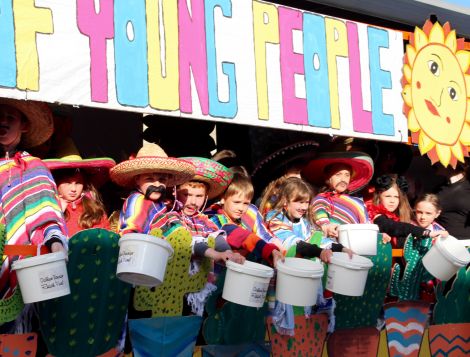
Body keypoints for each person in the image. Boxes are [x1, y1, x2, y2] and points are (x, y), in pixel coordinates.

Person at [0, 98, 67, 332]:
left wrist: (56, 243)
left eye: (11, 117)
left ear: (24, 126)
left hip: (21, 270)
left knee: (15, 340)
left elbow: (47, 216)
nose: (3, 121)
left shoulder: (34, 167)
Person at [154, 157, 244, 316]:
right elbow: (190, 243)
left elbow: (217, 238)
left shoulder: (205, 220)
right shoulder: (169, 216)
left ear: (206, 197)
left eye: (199, 196)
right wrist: (215, 254)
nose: (192, 202)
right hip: (173, 288)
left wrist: (228, 253)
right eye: (186, 194)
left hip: (201, 285)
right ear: (175, 192)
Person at [109, 143, 195, 235]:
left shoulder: (160, 203)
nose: (157, 184)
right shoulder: (139, 200)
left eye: (162, 179)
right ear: (137, 179)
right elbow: (131, 232)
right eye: (149, 179)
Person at [265, 177, 353, 262]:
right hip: (280, 266)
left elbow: (320, 239)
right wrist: (319, 252)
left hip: (299, 265)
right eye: (300, 202)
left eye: (307, 202)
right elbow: (291, 242)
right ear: (285, 201)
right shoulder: (275, 218)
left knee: (317, 235)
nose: (304, 207)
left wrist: (341, 249)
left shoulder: (304, 222)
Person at [207, 173, 283, 267]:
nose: (241, 208)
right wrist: (268, 250)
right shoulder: (214, 217)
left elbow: (263, 234)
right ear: (223, 198)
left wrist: (275, 249)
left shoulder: (248, 213)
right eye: (237, 202)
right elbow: (241, 236)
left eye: (246, 203)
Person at [44, 142, 115, 236]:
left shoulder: (94, 209)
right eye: (67, 183)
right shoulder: (46, 208)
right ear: (55, 182)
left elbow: (107, 238)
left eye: (78, 183)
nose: (73, 189)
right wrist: (57, 213)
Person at [303, 152, 373, 237]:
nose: (343, 179)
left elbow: (367, 226)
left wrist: (378, 235)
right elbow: (321, 222)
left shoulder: (358, 203)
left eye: (347, 175)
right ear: (328, 178)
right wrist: (327, 227)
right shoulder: (321, 199)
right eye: (338, 174)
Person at [367, 175, 448, 248]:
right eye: (388, 196)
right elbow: (394, 227)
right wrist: (426, 233)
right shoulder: (376, 214)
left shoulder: (397, 216)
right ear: (379, 197)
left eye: (396, 197)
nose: (392, 201)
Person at [436, 162, 470, 240]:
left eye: (437, 161)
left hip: (466, 243)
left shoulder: (468, 186)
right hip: (443, 242)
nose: (432, 163)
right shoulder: (439, 189)